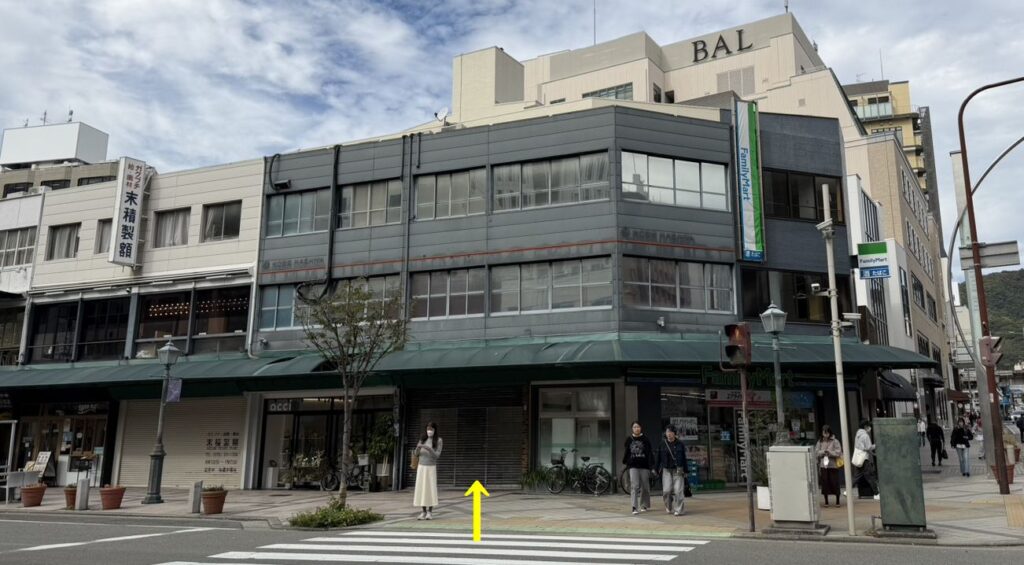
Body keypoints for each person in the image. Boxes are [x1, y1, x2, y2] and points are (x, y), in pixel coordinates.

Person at [655, 425, 687, 516]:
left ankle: (679, 510)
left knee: (678, 491)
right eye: (667, 432)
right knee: (666, 491)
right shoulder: (662, 444)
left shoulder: (680, 444)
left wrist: (686, 471)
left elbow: (684, 458)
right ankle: (669, 506)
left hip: (678, 469)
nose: (669, 434)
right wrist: (655, 469)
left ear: (674, 433)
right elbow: (658, 458)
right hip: (666, 470)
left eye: (670, 432)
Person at [623, 421, 654, 515]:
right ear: (632, 429)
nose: (636, 428)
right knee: (634, 486)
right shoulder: (629, 439)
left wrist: (651, 465)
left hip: (644, 466)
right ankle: (634, 507)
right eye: (634, 427)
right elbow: (627, 452)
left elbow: (649, 453)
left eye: (638, 427)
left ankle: (644, 505)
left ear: (641, 428)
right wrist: (627, 462)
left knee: (645, 487)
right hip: (633, 466)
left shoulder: (645, 439)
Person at [413, 422, 442, 520]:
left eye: (431, 429)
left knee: (430, 489)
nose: (429, 431)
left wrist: (429, 449)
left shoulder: (438, 440)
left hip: (431, 468)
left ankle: (430, 512)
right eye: (428, 429)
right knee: (421, 489)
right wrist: (418, 448)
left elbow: (437, 455)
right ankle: (423, 511)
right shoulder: (422, 439)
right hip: (421, 467)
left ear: (434, 430)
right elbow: (416, 454)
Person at [815, 425, 843, 507]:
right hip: (823, 465)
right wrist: (823, 452)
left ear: (830, 432)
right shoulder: (820, 441)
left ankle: (837, 501)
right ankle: (826, 501)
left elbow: (838, 452)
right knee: (825, 483)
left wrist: (830, 452)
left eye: (827, 432)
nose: (825, 434)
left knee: (835, 482)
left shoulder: (835, 441)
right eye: (824, 432)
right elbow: (816, 452)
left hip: (833, 465)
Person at [852, 419, 879, 500]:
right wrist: (876, 445)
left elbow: (860, 447)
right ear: (865, 426)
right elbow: (868, 447)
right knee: (870, 476)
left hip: (859, 458)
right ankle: (876, 493)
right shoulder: (865, 435)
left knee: (857, 476)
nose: (870, 428)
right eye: (869, 426)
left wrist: (872, 453)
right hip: (864, 459)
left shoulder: (857, 434)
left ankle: (848, 490)